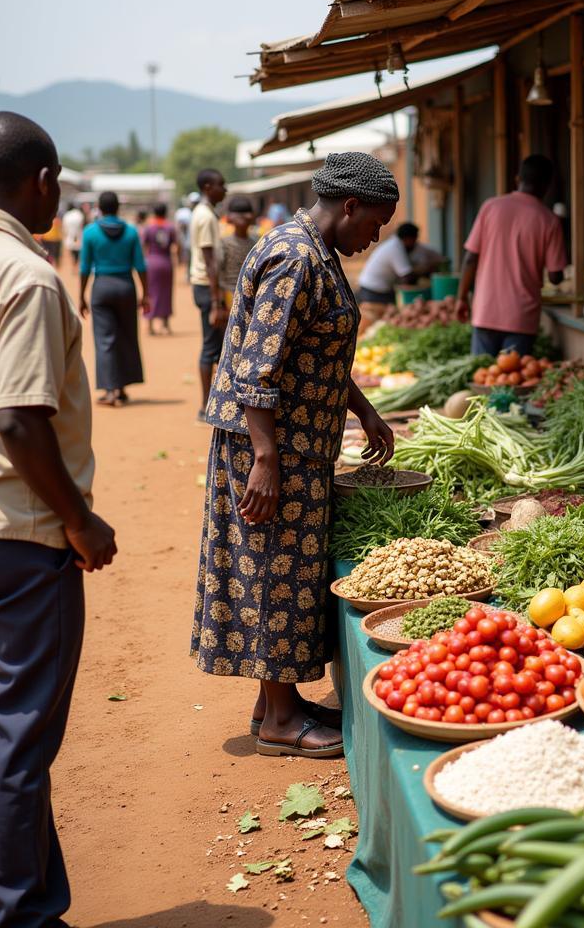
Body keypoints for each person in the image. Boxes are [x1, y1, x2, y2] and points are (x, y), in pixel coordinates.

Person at [191, 151, 397, 758]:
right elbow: (259, 369)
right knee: (273, 571)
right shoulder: (295, 258)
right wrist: (265, 460)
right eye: (375, 223)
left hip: (300, 444)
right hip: (276, 447)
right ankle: (280, 722)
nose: (375, 236)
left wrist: (360, 406)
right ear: (350, 205)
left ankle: (274, 702)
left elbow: (312, 353)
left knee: (283, 569)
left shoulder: (313, 251)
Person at [0, 111, 117, 928]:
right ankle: (22, 915)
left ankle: (37, 901)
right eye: (56, 180)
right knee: (19, 742)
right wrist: (80, 523)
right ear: (41, 181)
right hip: (19, 538)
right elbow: (16, 420)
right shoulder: (28, 276)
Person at [456, 154, 566, 356]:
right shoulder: (550, 221)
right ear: (547, 185)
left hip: (485, 311)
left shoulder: (490, 207)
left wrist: (461, 298)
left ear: (518, 179)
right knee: (512, 383)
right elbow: (555, 276)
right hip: (521, 317)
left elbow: (470, 258)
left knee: (482, 380)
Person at [79, 191, 149, 406]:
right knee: (127, 336)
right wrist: (145, 294)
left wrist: (81, 295)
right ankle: (122, 388)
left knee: (104, 340)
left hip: (101, 287)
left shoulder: (90, 232)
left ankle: (110, 392)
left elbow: (84, 268)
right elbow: (140, 265)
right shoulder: (130, 231)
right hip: (126, 287)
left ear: (99, 208)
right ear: (118, 207)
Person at [190, 169, 227, 421]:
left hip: (208, 287)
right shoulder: (205, 216)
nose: (224, 190)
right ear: (207, 187)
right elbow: (209, 259)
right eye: (220, 185)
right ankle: (205, 407)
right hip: (207, 287)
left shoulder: (207, 214)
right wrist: (216, 301)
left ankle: (213, 402)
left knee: (217, 346)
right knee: (211, 346)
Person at [357, 221, 442, 322]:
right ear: (408, 239)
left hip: (376, 289)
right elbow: (407, 277)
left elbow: (434, 255)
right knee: (385, 319)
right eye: (414, 239)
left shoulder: (398, 244)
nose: (415, 242)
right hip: (373, 292)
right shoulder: (395, 248)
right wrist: (423, 271)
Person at [141, 201, 176, 335]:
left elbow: (144, 246)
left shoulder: (149, 228)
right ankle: (165, 325)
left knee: (150, 292)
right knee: (166, 293)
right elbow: (175, 247)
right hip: (166, 262)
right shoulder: (170, 228)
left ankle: (149, 325)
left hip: (152, 263)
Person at [219, 195, 257, 310]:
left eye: (245, 212)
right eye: (238, 213)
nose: (242, 218)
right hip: (228, 298)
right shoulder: (224, 244)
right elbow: (219, 273)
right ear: (230, 218)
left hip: (251, 299)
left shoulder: (257, 244)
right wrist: (219, 304)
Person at [175, 193, 195, 274]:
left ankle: (188, 273)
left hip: (190, 239)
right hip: (183, 238)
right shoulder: (183, 212)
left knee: (190, 257)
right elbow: (179, 226)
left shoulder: (191, 213)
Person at [62, 200, 84, 269]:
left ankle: (74, 262)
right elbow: (82, 225)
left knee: (72, 250)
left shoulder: (66, 215)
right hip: (78, 235)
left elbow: (65, 228)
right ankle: (76, 262)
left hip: (70, 236)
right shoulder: (79, 214)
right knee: (77, 251)